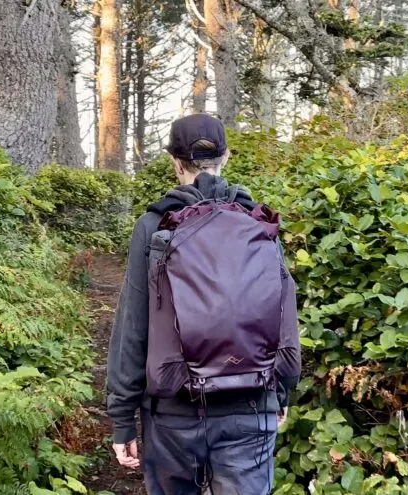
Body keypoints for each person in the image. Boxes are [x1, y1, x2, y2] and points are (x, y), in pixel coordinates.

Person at [106, 113, 301, 495]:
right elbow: (281, 314)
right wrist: (280, 392)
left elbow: (134, 325)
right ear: (225, 157)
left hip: (173, 411)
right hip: (251, 401)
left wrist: (122, 419)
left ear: (175, 162)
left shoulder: (155, 225)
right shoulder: (258, 221)